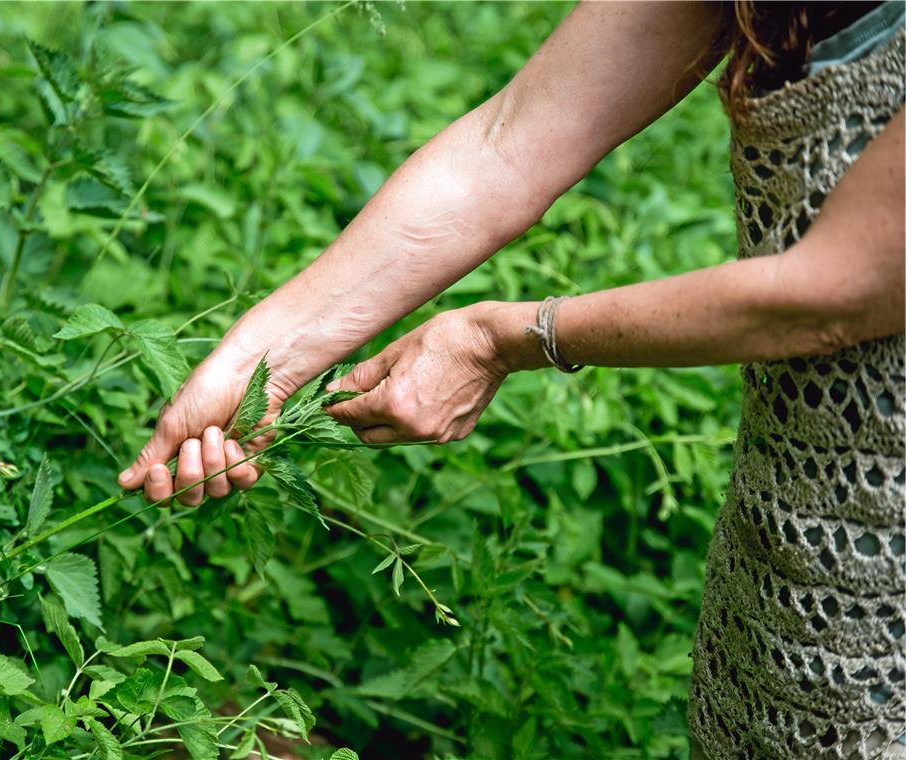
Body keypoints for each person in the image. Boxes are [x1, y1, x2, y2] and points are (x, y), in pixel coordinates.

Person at [117, 2, 905, 757]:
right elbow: (508, 142)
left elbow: (841, 287)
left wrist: (505, 338)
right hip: (801, 499)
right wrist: (257, 365)